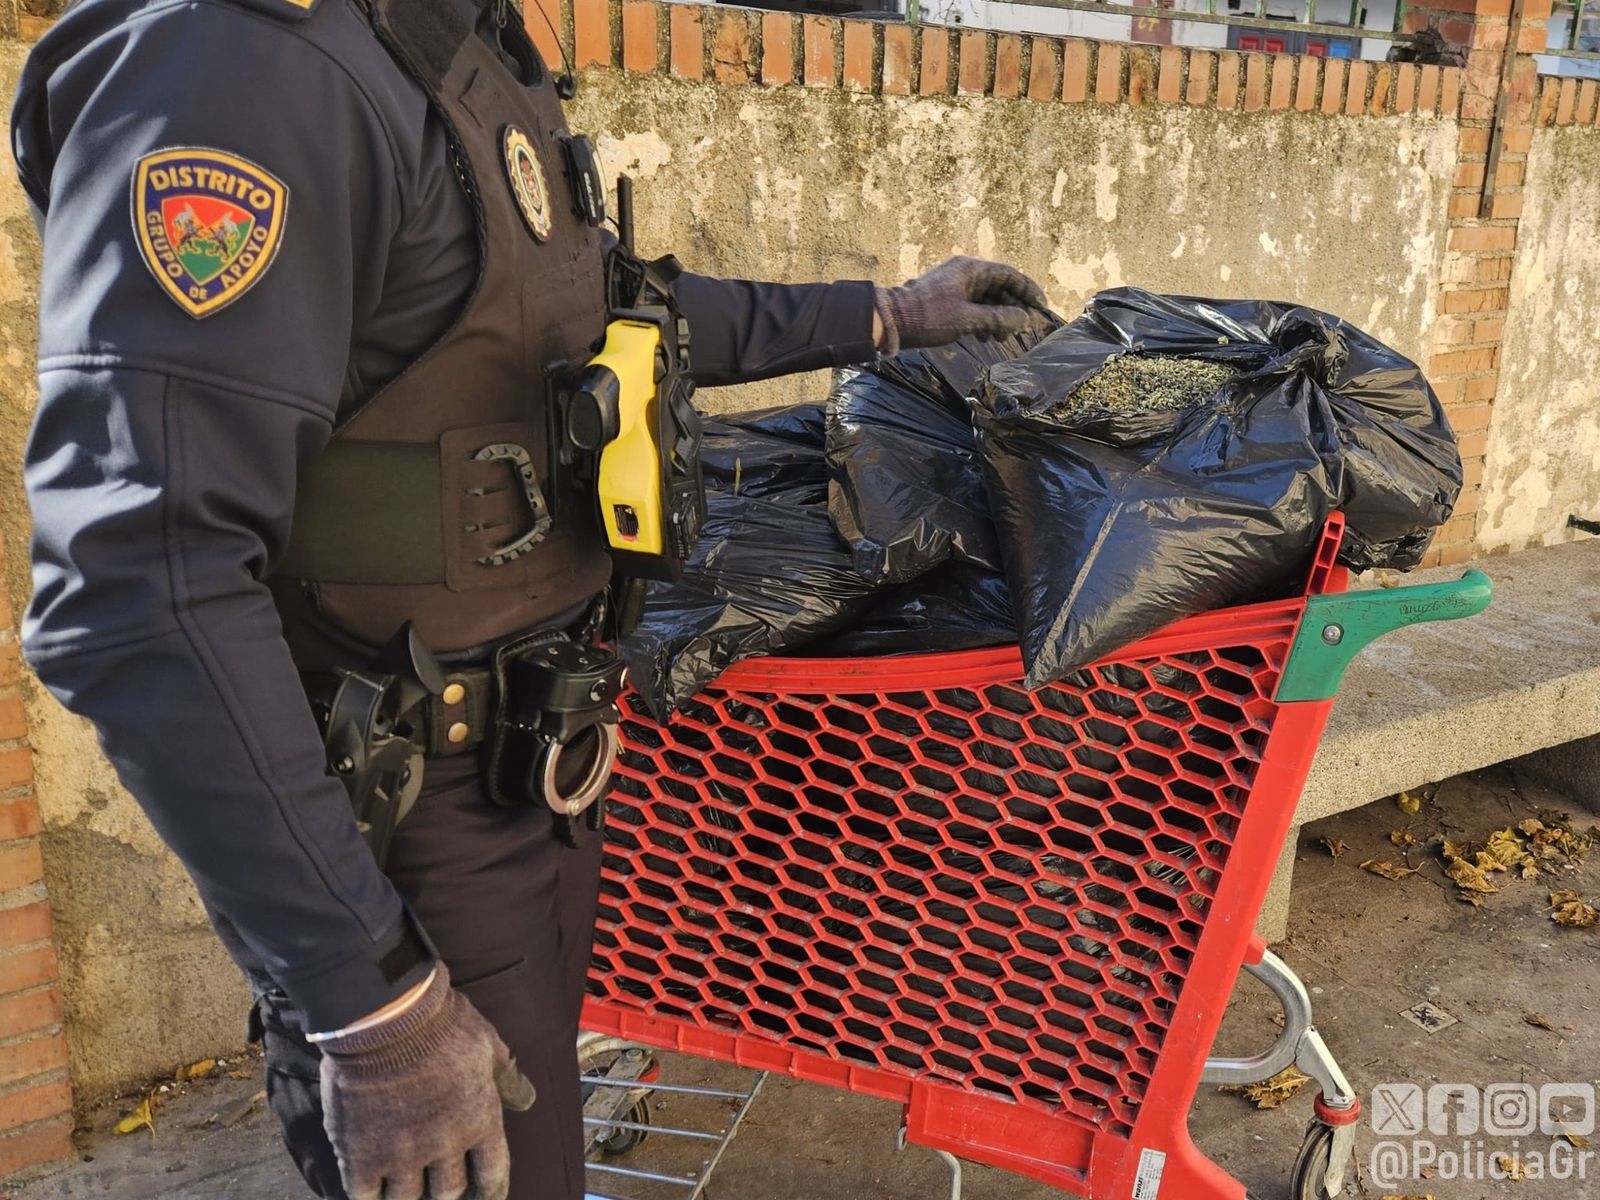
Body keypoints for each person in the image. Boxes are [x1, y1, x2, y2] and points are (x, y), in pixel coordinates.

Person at [9, 0, 1046, 1197]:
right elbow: (143, 589)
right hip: (401, 820)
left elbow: (587, 315)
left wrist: (883, 317)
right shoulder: (246, 69)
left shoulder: (441, 38)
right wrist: (373, 1002)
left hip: (526, 767)